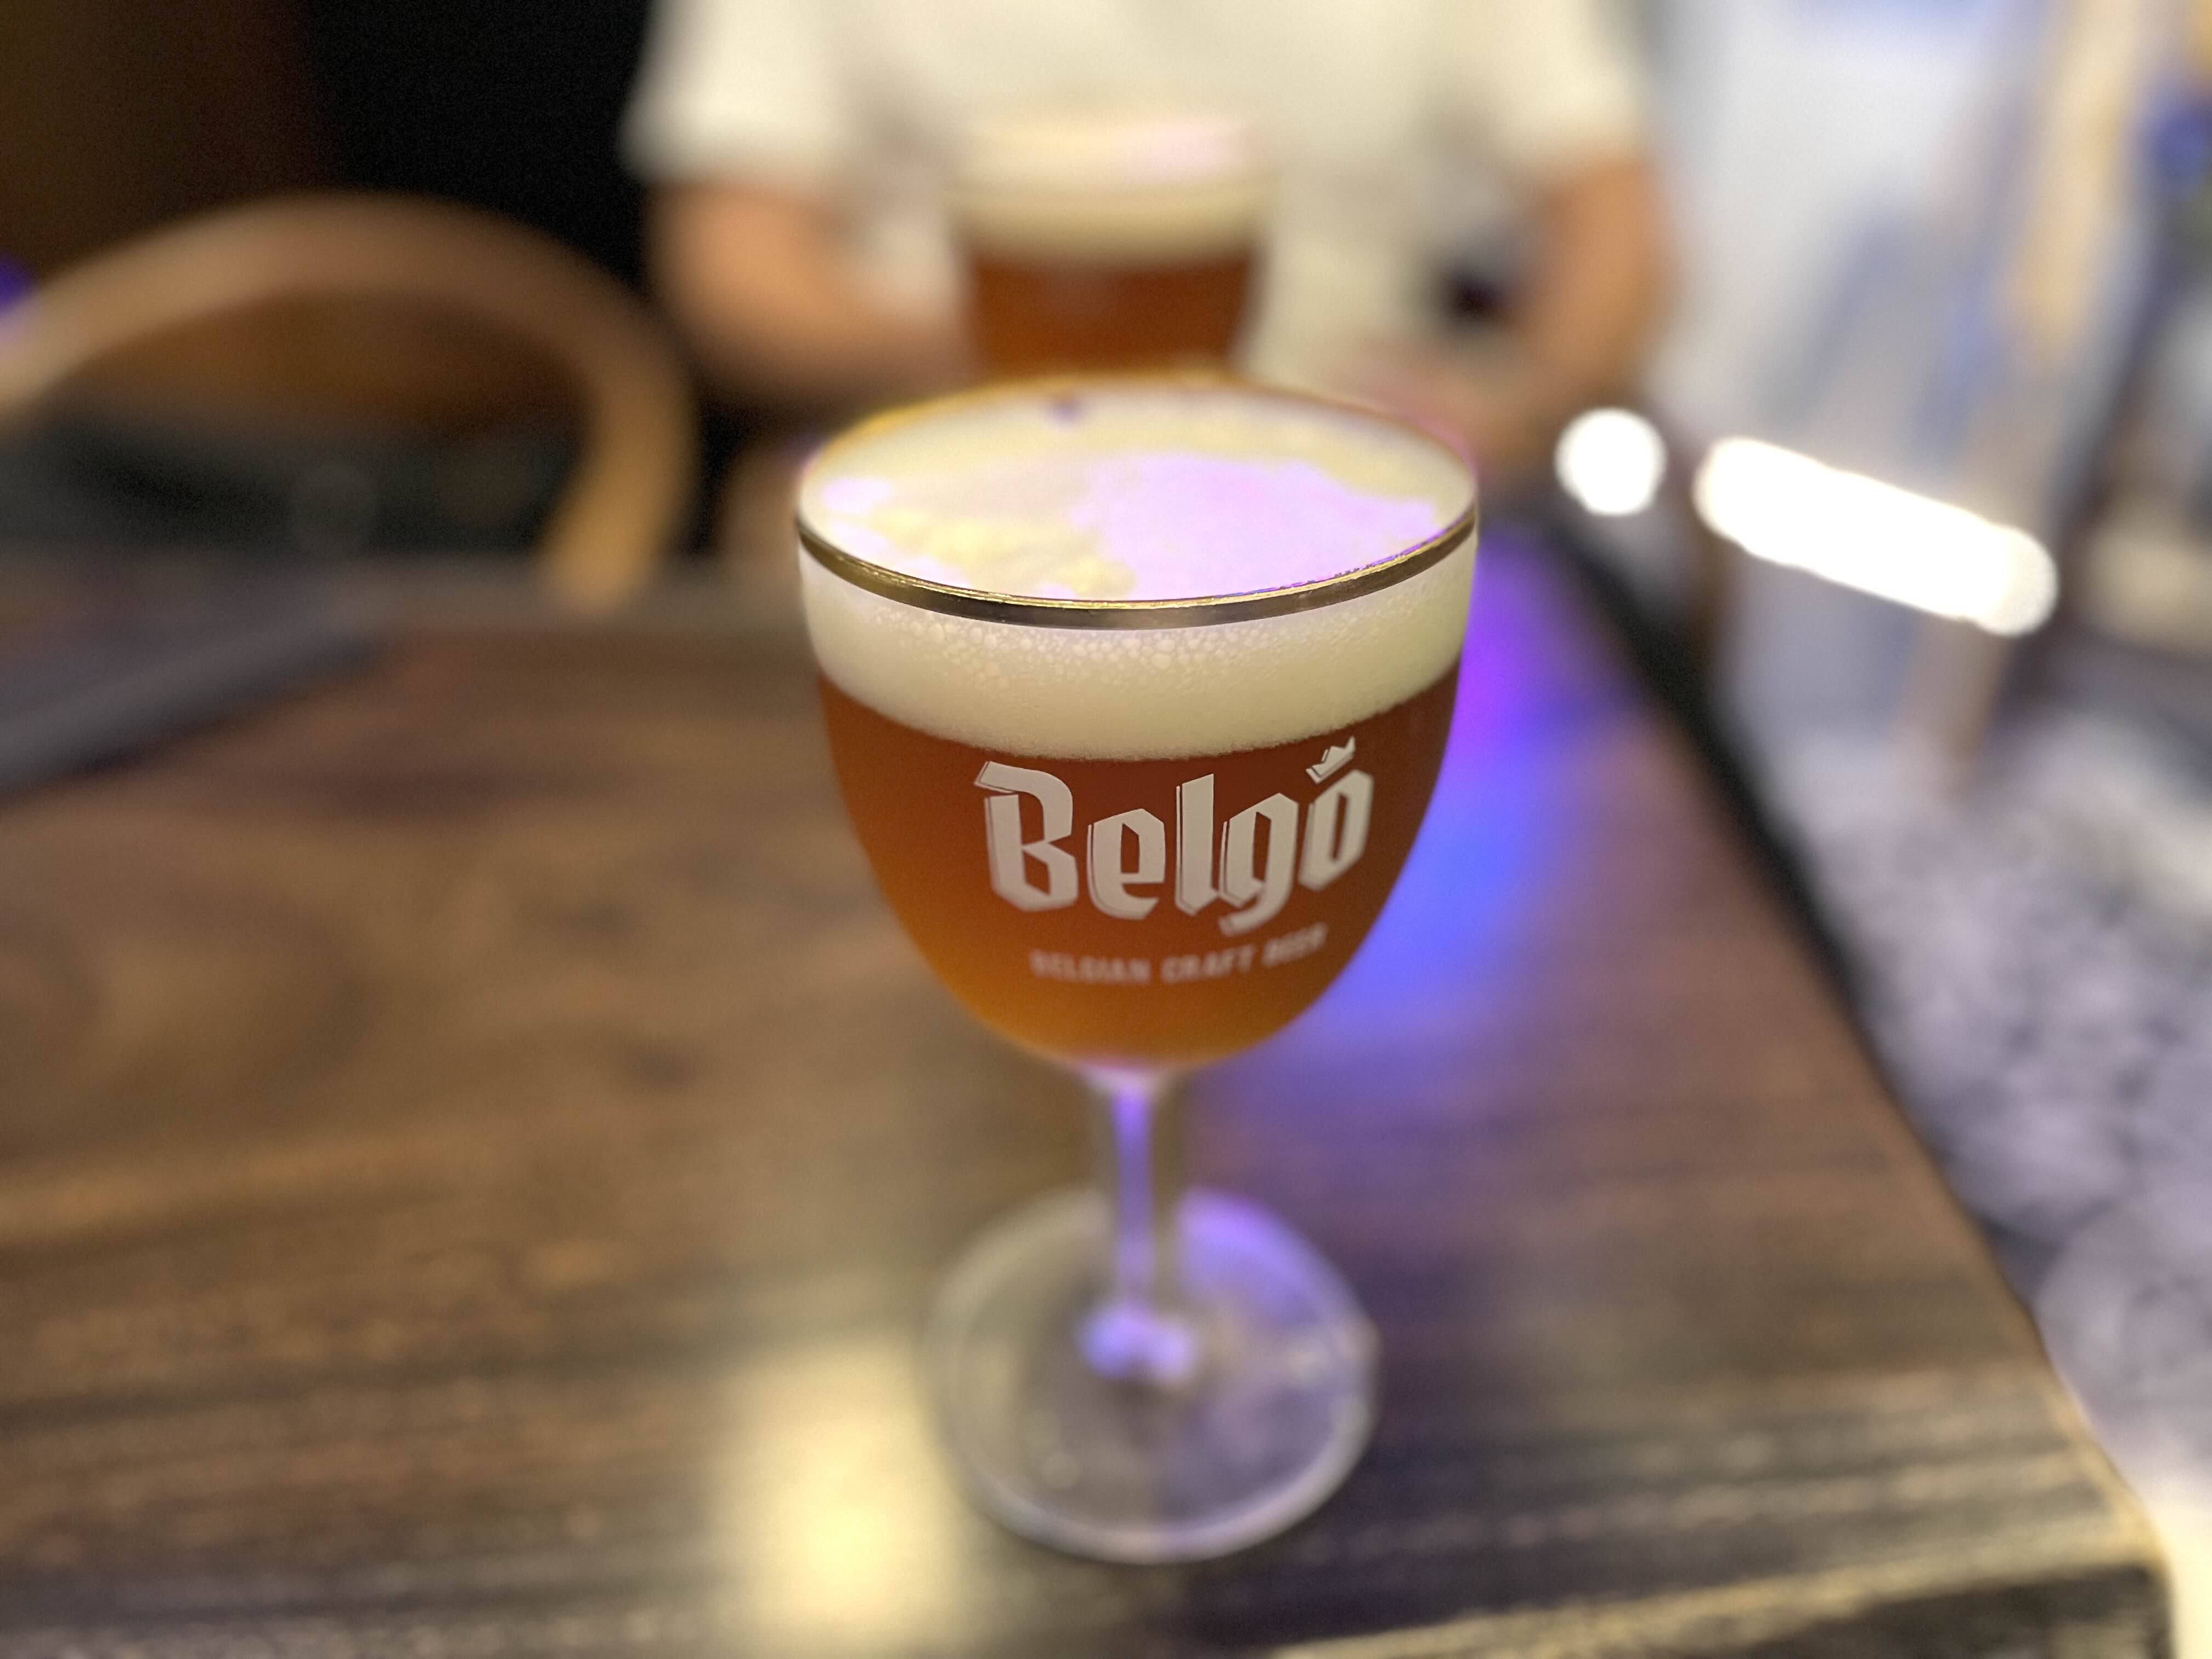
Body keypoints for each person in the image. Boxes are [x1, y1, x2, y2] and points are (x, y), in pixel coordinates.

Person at [624, 0, 1669, 493]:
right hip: (955, 474)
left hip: (1332, 487)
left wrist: (1516, 401)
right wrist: (1006, 357)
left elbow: (1617, 225)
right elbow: (731, 272)